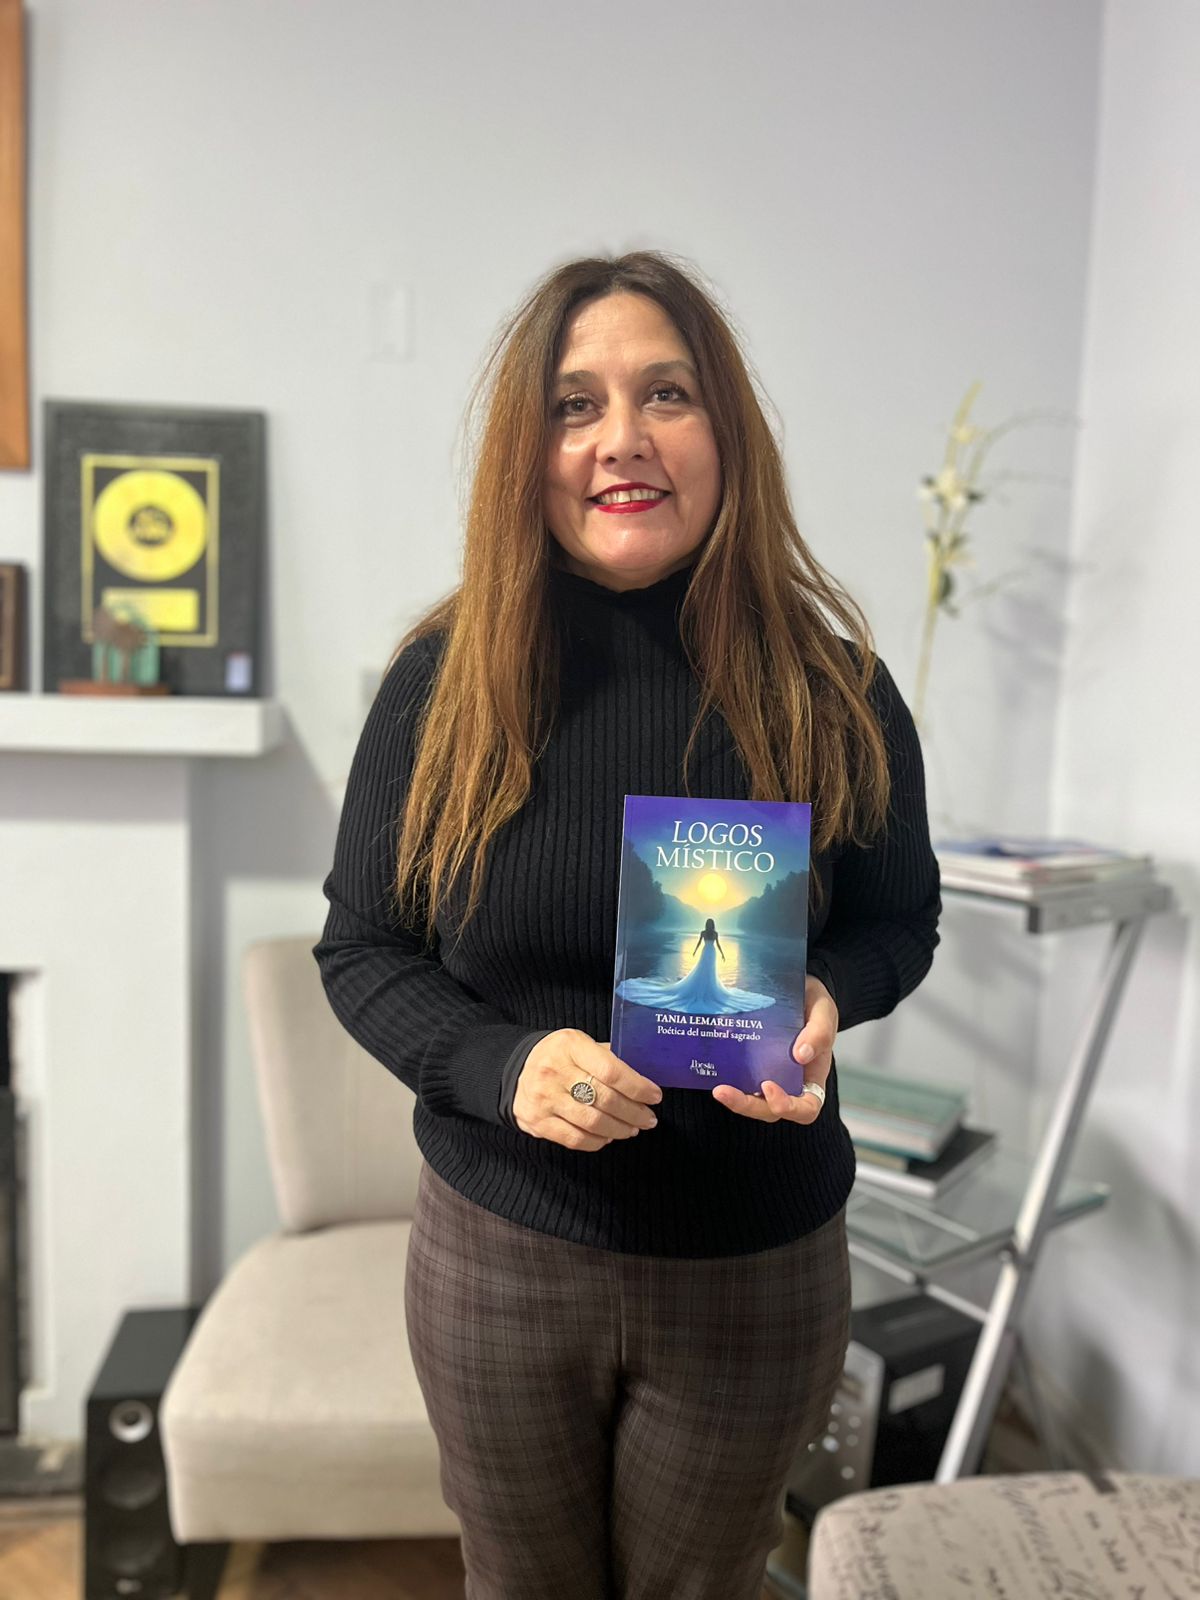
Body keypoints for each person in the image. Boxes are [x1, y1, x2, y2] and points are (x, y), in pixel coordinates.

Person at [313, 250, 942, 1600]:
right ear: (526, 451)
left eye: (667, 393)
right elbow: (361, 950)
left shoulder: (835, 689)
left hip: (754, 1264)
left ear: (727, 431)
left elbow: (902, 922)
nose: (622, 439)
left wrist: (827, 995)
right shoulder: (443, 682)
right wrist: (503, 1066)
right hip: (501, 1251)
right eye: (574, 404)